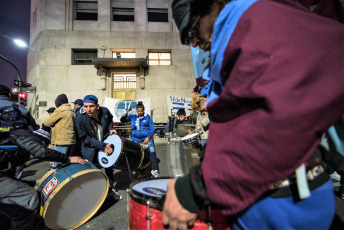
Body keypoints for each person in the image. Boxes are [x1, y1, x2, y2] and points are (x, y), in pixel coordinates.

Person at [162, 0, 344, 230]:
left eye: (192, 30)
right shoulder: (239, 35)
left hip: (290, 209)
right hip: (268, 203)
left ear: (216, 4)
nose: (195, 42)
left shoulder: (260, 22)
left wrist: (196, 187)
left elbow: (273, 126)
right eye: (188, 39)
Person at [0, 128, 85, 230]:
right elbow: (41, 152)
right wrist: (68, 159)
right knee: (29, 196)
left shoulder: (12, 141)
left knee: (8, 203)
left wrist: (31, 183)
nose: (44, 146)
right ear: (41, 141)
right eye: (44, 144)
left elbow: (10, 180)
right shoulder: (24, 136)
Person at [75, 94, 122, 200]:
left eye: (91, 106)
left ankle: (111, 188)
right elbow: (84, 139)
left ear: (97, 106)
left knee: (108, 166)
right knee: (93, 171)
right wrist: (102, 146)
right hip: (90, 148)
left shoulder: (105, 111)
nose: (88, 109)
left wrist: (111, 128)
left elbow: (110, 119)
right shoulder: (80, 119)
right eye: (85, 106)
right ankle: (95, 195)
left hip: (105, 141)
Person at [120, 101, 160, 178]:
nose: (140, 112)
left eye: (141, 111)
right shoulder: (133, 117)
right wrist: (124, 116)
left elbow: (152, 128)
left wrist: (148, 137)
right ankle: (138, 169)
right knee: (137, 155)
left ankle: (155, 170)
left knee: (152, 152)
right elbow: (123, 120)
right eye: (138, 111)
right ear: (136, 111)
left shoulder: (148, 117)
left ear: (143, 110)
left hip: (147, 139)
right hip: (136, 139)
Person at [44, 94, 76, 168]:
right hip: (70, 140)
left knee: (58, 164)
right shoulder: (71, 111)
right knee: (66, 163)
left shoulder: (60, 110)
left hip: (61, 140)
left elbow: (47, 122)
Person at [190, 94, 209, 159]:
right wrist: (196, 131)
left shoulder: (211, 110)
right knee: (202, 152)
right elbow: (198, 124)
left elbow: (210, 117)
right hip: (201, 136)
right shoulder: (199, 114)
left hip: (207, 136)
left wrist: (203, 122)